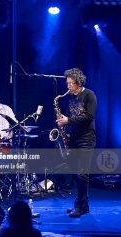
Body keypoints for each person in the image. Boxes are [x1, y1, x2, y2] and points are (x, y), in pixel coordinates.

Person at [57, 68, 97, 218]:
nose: (68, 86)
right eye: (67, 83)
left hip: (86, 138)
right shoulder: (71, 97)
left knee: (82, 174)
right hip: (73, 138)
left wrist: (69, 120)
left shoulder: (89, 95)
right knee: (76, 173)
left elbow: (88, 116)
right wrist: (64, 121)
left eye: (70, 83)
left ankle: (79, 206)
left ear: (78, 82)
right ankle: (84, 204)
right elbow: (73, 117)